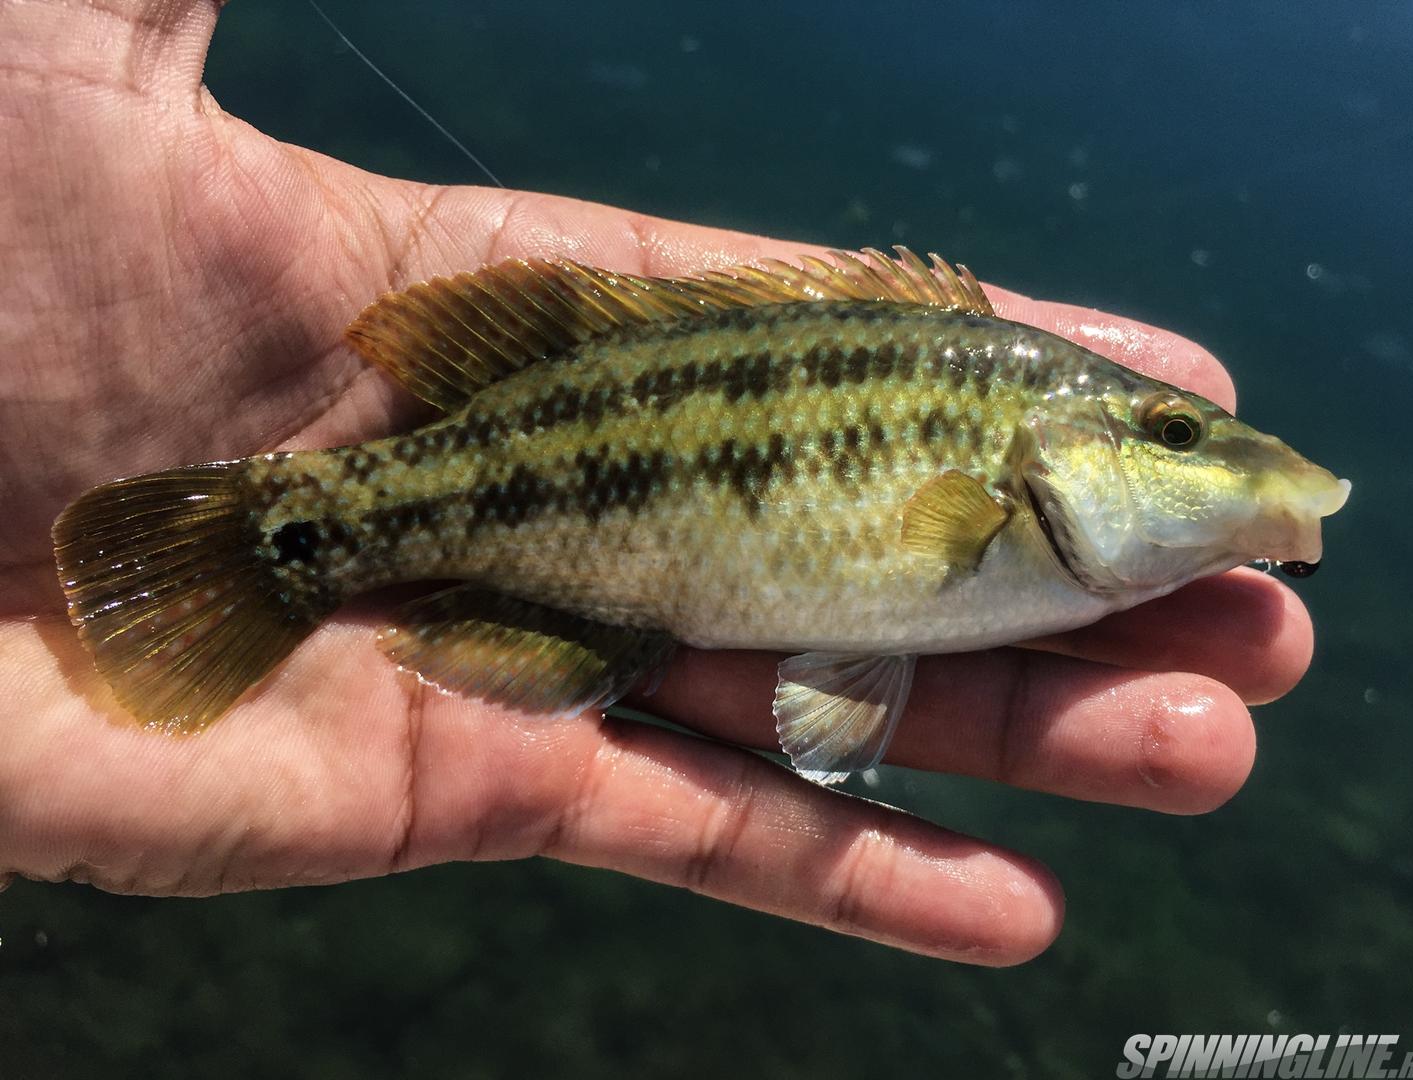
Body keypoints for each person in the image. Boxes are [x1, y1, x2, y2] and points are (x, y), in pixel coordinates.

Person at [0, 0, 1312, 965]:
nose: (1219, 468)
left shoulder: (1044, 520)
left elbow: (856, 663)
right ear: (1052, 457)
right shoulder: (998, 489)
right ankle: (275, 554)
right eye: (1171, 434)